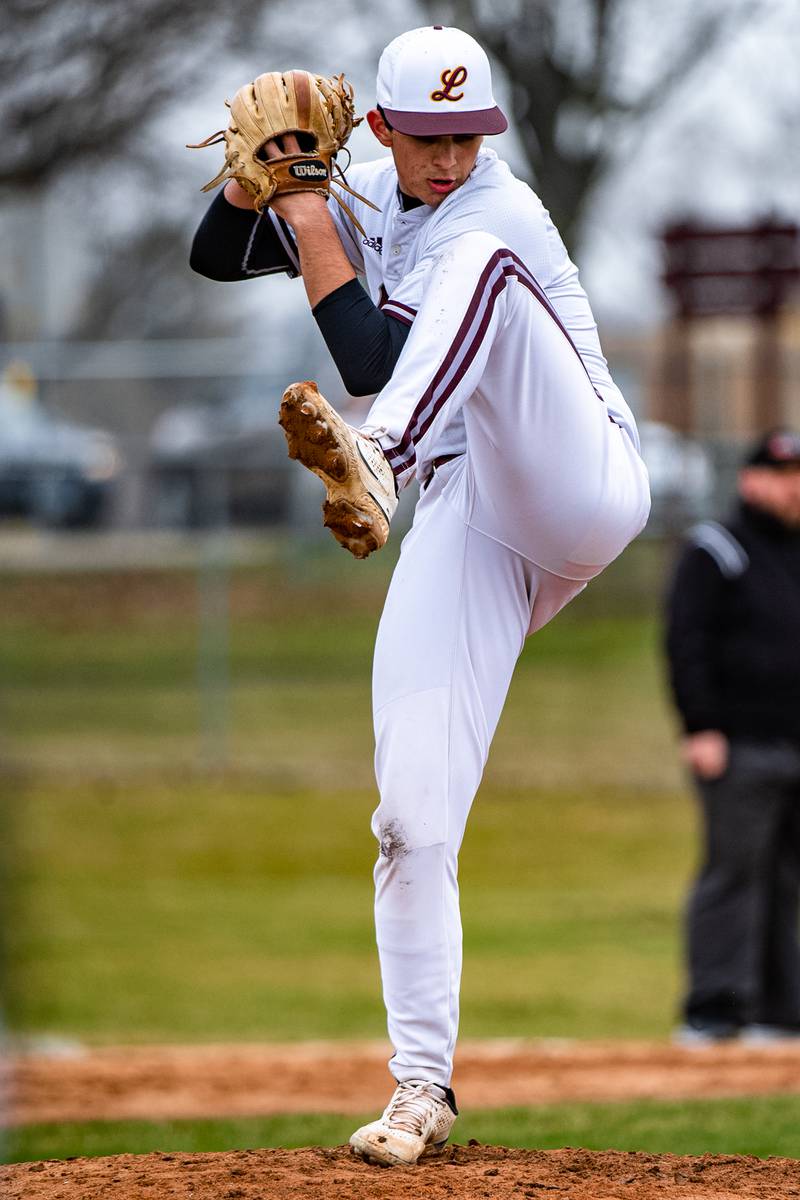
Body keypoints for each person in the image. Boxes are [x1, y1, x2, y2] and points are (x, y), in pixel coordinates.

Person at [191, 25, 651, 1166]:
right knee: (407, 816)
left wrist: (308, 219)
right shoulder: (370, 206)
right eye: (429, 137)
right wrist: (278, 187)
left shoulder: (493, 211)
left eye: (467, 135)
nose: (450, 158)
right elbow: (214, 255)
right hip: (468, 519)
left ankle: (376, 461)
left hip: (574, 473)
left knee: (477, 279)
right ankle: (418, 1091)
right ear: (384, 130)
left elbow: (369, 367)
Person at [665, 429, 800, 1045]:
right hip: (739, 743)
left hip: (793, 738)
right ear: (751, 480)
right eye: (782, 474)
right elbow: (686, 643)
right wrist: (701, 726)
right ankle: (714, 1006)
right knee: (735, 872)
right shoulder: (717, 549)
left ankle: (780, 1007)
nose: (792, 487)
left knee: (790, 876)